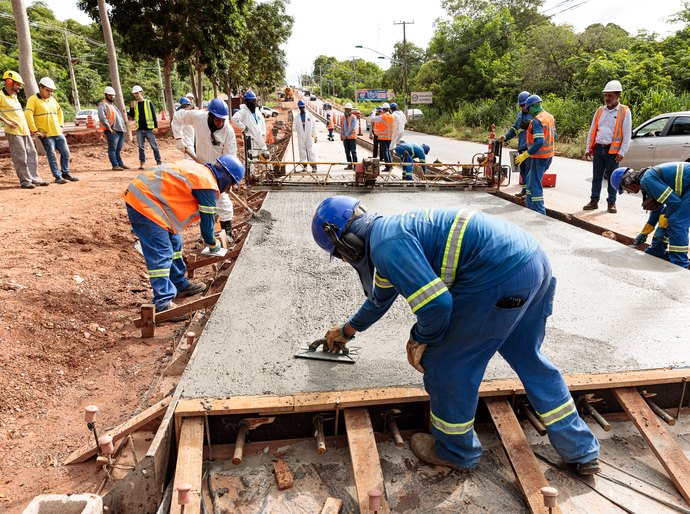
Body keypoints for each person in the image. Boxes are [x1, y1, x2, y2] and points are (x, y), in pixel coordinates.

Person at [311, 195, 601, 474]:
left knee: (447, 367)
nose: (344, 261)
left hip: (498, 277)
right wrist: (346, 331)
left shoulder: (387, 246)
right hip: (532, 263)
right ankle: (581, 450)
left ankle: (455, 452)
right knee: (529, 358)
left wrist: (421, 338)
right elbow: (378, 300)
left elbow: (437, 305)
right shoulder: (391, 235)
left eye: (339, 255)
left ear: (347, 245)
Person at [123, 155, 244, 314]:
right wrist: (214, 245)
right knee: (162, 252)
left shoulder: (202, 172)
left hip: (154, 202)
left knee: (175, 244)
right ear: (226, 179)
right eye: (231, 185)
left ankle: (178, 283)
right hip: (145, 203)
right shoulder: (207, 185)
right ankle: (163, 302)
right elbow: (207, 230)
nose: (229, 189)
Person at [172, 97, 238, 240]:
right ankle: (207, 234)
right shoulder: (198, 117)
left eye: (223, 120)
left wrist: (228, 179)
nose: (220, 123)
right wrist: (178, 138)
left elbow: (230, 156)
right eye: (217, 120)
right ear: (210, 116)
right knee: (205, 202)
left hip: (218, 171)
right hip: (201, 168)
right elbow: (178, 116)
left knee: (223, 201)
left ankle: (227, 232)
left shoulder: (228, 131)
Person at [611, 162, 690, 268]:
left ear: (627, 181)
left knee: (676, 222)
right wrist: (644, 232)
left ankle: (680, 265)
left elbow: (674, 203)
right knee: (666, 218)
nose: (628, 192)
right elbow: (657, 211)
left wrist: (663, 224)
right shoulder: (646, 181)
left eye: (625, 189)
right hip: (686, 191)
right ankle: (655, 253)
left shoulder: (647, 180)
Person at [583, 80, 632, 214]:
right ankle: (594, 201)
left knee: (612, 178)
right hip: (599, 148)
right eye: (606, 95)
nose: (607, 98)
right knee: (596, 177)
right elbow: (592, 129)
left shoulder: (624, 111)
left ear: (618, 96)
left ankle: (611, 202)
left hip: (613, 151)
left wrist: (622, 152)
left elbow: (627, 134)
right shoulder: (600, 111)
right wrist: (588, 148)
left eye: (610, 95)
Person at [0, 70, 48, 189]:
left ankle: (34, 178)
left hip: (24, 130)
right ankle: (25, 181)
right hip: (13, 131)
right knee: (20, 156)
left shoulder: (14, 95)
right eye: (18, 84)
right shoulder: (1, 95)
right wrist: (7, 121)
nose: (20, 87)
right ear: (9, 82)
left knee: (32, 154)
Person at [25, 76, 78, 184]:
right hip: (46, 134)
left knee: (66, 153)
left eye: (52, 91)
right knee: (51, 155)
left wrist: (61, 125)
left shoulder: (52, 100)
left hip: (58, 132)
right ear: (41, 88)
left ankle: (65, 173)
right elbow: (28, 115)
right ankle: (57, 176)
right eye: (48, 90)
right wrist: (35, 131)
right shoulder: (33, 100)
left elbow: (60, 112)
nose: (50, 93)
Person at [515, 95, 556, 215]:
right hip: (548, 155)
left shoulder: (537, 121)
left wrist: (525, 155)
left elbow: (539, 141)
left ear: (533, 107)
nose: (527, 111)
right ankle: (530, 208)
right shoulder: (549, 117)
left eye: (528, 109)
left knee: (534, 185)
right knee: (529, 180)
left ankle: (539, 212)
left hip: (539, 157)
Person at [498, 91, 531, 198]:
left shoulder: (535, 115)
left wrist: (530, 125)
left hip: (530, 148)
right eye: (521, 105)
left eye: (524, 105)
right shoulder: (520, 115)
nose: (523, 107)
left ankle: (529, 193)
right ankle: (524, 190)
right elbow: (514, 129)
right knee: (523, 171)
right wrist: (506, 136)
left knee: (531, 172)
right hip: (521, 147)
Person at [232, 91, 269, 177]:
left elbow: (263, 123)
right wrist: (244, 128)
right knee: (250, 157)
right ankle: (249, 176)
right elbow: (234, 118)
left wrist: (264, 134)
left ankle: (267, 173)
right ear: (246, 102)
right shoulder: (243, 111)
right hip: (251, 139)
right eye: (251, 101)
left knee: (265, 155)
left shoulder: (257, 111)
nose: (253, 103)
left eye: (254, 101)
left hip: (260, 138)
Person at [128, 85, 162, 170]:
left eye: (137, 93)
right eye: (134, 93)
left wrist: (155, 127)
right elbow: (132, 116)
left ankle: (159, 162)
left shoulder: (148, 102)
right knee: (141, 147)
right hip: (139, 129)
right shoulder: (134, 104)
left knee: (154, 146)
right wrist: (131, 108)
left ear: (141, 92)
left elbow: (154, 115)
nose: (136, 95)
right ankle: (142, 164)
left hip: (149, 129)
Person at [98, 86, 128, 171]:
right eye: (110, 95)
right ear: (106, 95)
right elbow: (102, 117)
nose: (112, 97)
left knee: (118, 148)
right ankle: (115, 165)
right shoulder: (103, 105)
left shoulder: (112, 105)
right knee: (112, 148)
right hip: (112, 130)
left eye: (113, 95)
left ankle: (120, 163)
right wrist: (109, 128)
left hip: (119, 130)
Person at [292, 100, 317, 172]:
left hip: (309, 137)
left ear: (304, 107)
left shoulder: (310, 115)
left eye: (303, 107)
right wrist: (293, 128)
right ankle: (305, 166)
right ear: (299, 108)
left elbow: (314, 126)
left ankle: (314, 166)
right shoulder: (297, 117)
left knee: (311, 151)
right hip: (301, 137)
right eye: (300, 108)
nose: (302, 109)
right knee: (302, 152)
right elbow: (294, 128)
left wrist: (315, 135)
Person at [370, 102, 394, 171]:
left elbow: (372, 119)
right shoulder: (392, 116)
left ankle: (387, 167)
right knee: (388, 152)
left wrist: (373, 113)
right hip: (389, 137)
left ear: (383, 110)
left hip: (383, 137)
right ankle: (390, 165)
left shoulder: (382, 116)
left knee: (385, 152)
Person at [340, 102, 358, 169]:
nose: (347, 110)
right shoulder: (342, 117)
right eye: (346, 109)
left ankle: (355, 165)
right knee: (347, 152)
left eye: (349, 109)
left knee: (353, 152)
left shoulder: (354, 117)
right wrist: (341, 135)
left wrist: (346, 135)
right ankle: (349, 164)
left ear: (351, 110)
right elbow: (341, 127)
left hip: (352, 138)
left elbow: (352, 128)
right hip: (345, 138)